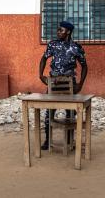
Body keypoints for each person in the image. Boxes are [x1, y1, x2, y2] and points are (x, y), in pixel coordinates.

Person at [38, 20, 88, 150]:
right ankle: (48, 141)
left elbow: (84, 66)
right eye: (58, 30)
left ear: (68, 32)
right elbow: (44, 58)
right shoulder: (52, 45)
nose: (58, 32)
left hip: (70, 84)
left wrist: (80, 84)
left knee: (70, 113)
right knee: (50, 112)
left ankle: (69, 142)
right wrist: (40, 75)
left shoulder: (76, 47)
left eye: (61, 30)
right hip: (53, 83)